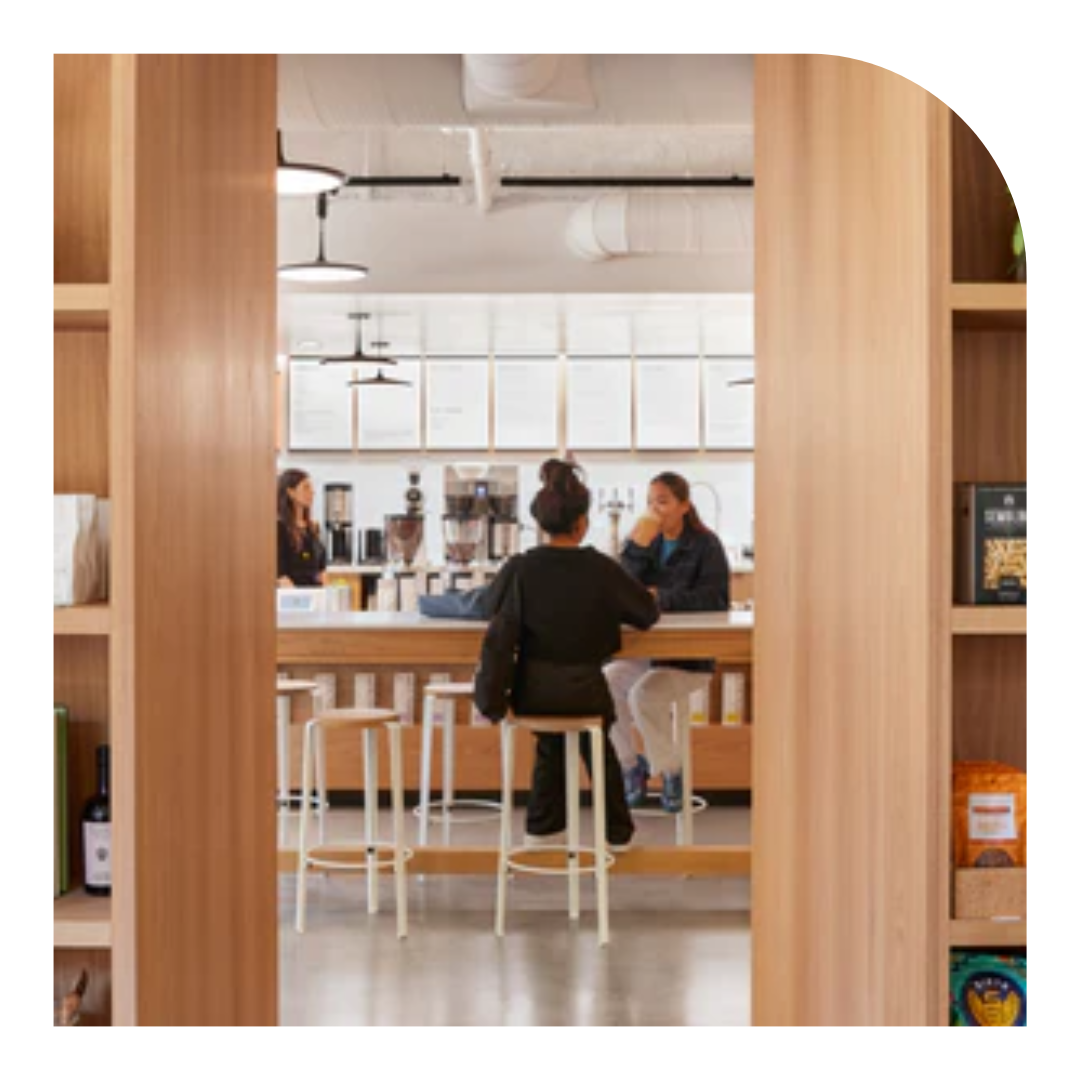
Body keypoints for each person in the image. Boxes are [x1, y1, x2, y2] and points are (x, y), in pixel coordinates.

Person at [474, 459, 659, 849]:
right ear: (582, 523)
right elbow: (646, 613)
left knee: (551, 740)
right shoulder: (601, 569)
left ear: (540, 525)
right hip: (587, 689)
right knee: (598, 744)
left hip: (532, 693)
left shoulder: (520, 568)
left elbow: (487, 606)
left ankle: (542, 829)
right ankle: (616, 834)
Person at [605, 471, 730, 813]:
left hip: (688, 657)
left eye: (662, 501)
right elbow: (622, 586)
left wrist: (662, 596)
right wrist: (636, 548)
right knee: (606, 682)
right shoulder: (648, 543)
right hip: (647, 653)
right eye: (650, 502)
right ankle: (630, 766)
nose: (654, 509)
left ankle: (672, 771)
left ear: (684, 506)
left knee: (644, 694)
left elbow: (716, 599)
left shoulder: (706, 545)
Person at [277, 469, 327, 587]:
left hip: (315, 596)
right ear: (291, 493)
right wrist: (299, 599)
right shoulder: (280, 529)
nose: (312, 492)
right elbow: (281, 575)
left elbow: (321, 568)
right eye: (306, 488)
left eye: (311, 488)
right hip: (294, 599)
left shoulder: (312, 528)